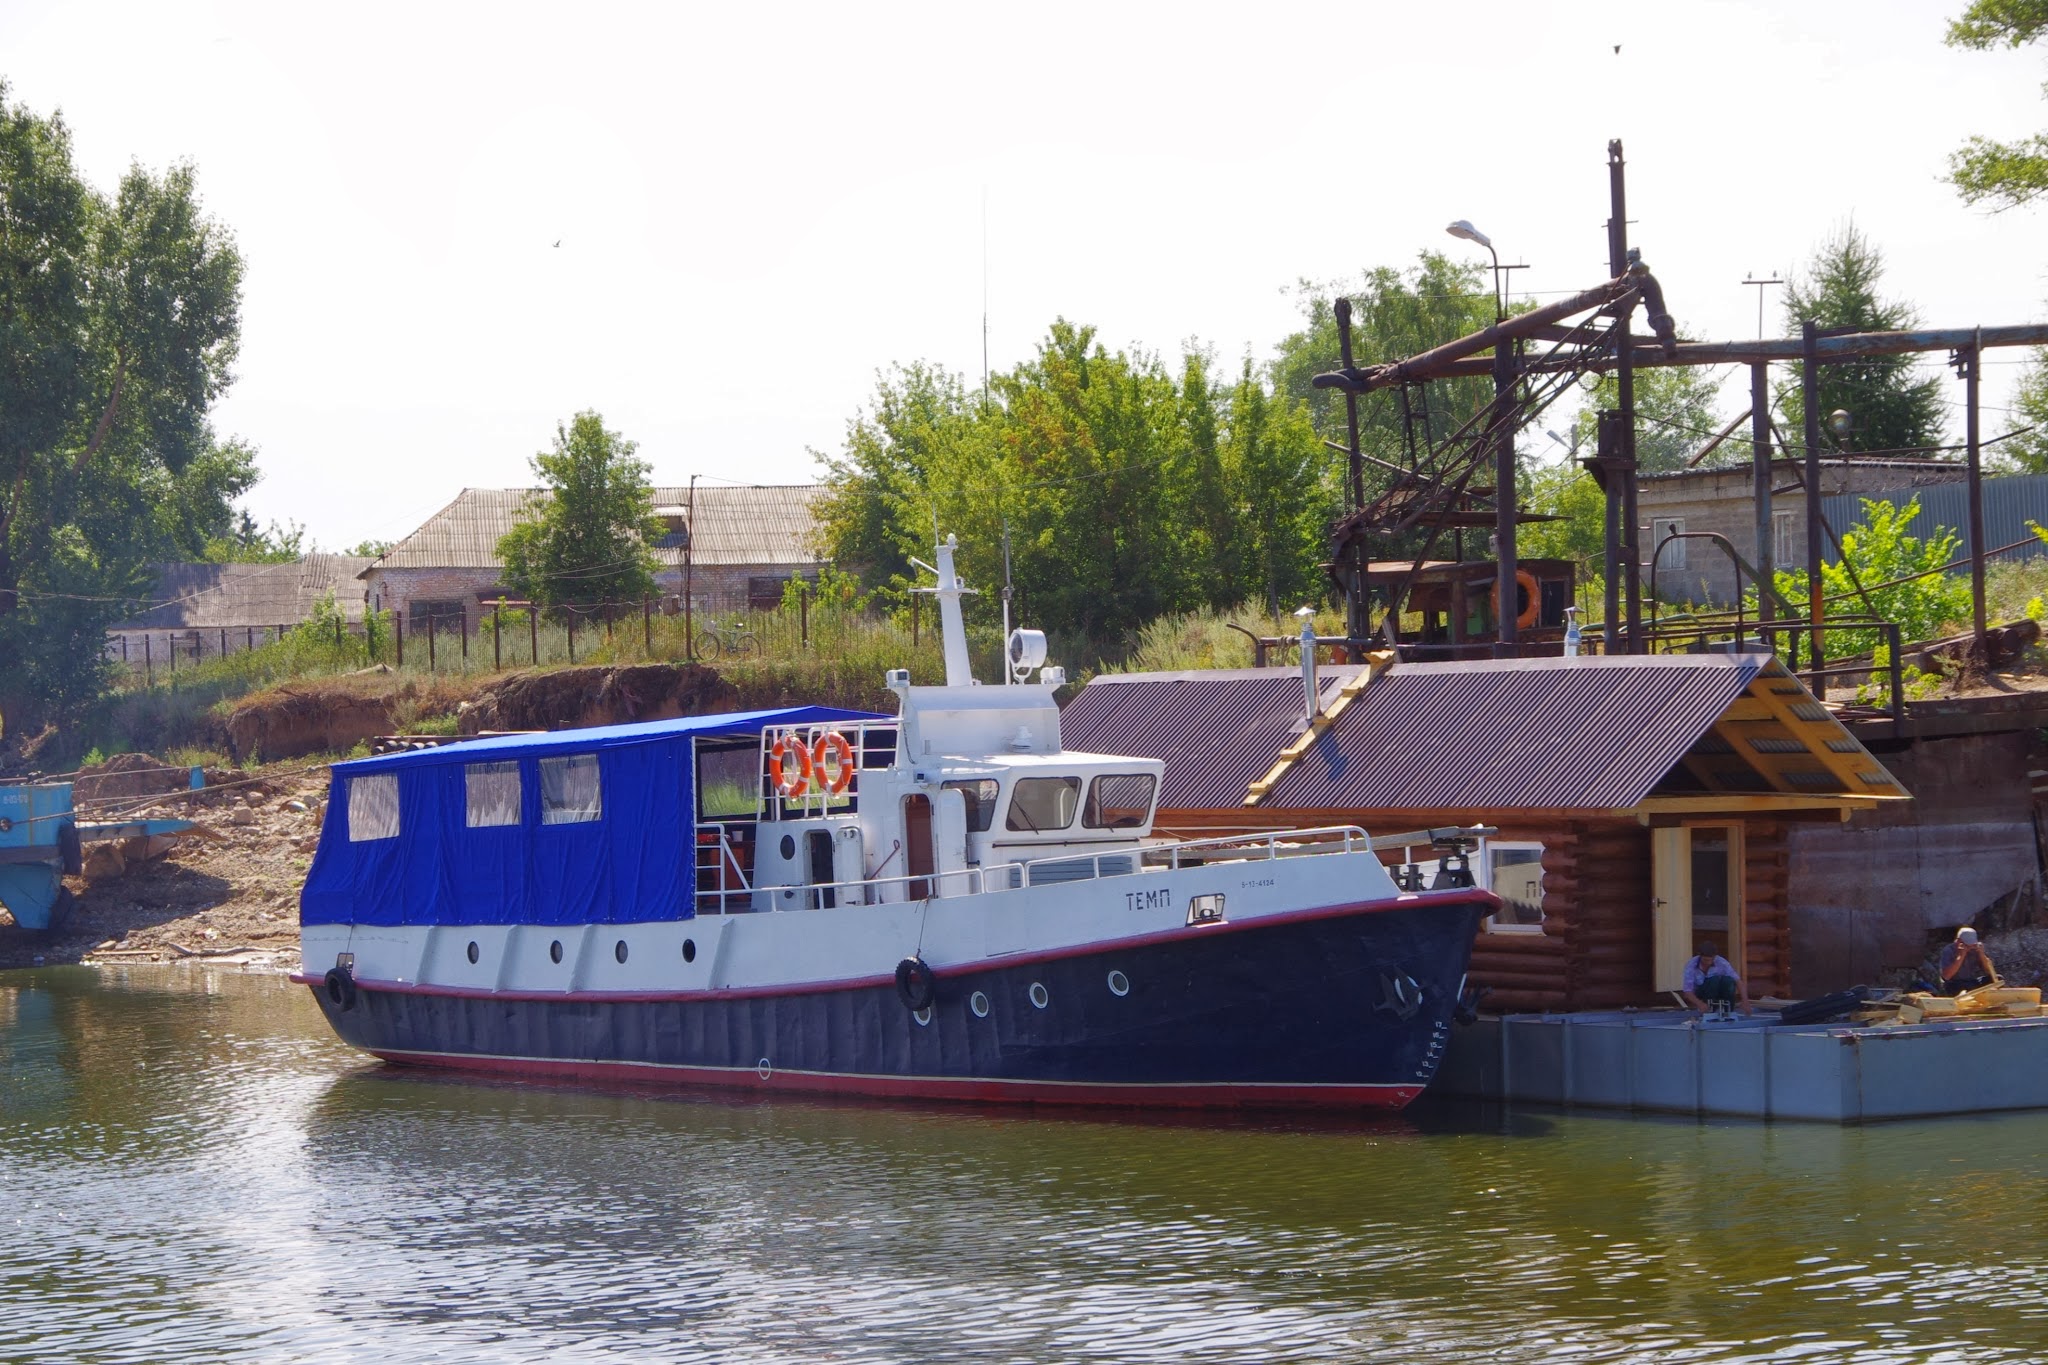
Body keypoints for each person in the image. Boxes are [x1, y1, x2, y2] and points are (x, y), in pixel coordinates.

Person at [1681, 941, 1747, 1019]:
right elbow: (1687, 991)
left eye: (1711, 960)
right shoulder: (1691, 965)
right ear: (1700, 956)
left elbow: (1738, 981)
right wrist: (1700, 1004)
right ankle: (1709, 1011)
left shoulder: (1721, 962)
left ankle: (1728, 1011)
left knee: (1728, 980)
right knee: (1713, 980)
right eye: (1705, 960)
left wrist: (1745, 1001)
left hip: (1718, 992)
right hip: (1701, 993)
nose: (1708, 963)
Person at [1937, 927, 1997, 996]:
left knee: (1997, 979)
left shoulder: (1975, 948)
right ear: (1959, 941)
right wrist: (1961, 955)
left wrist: (1981, 954)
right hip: (1954, 983)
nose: (1971, 946)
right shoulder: (1948, 950)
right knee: (1961, 987)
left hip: (1970, 981)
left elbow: (1989, 971)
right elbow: (1946, 976)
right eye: (1968, 944)